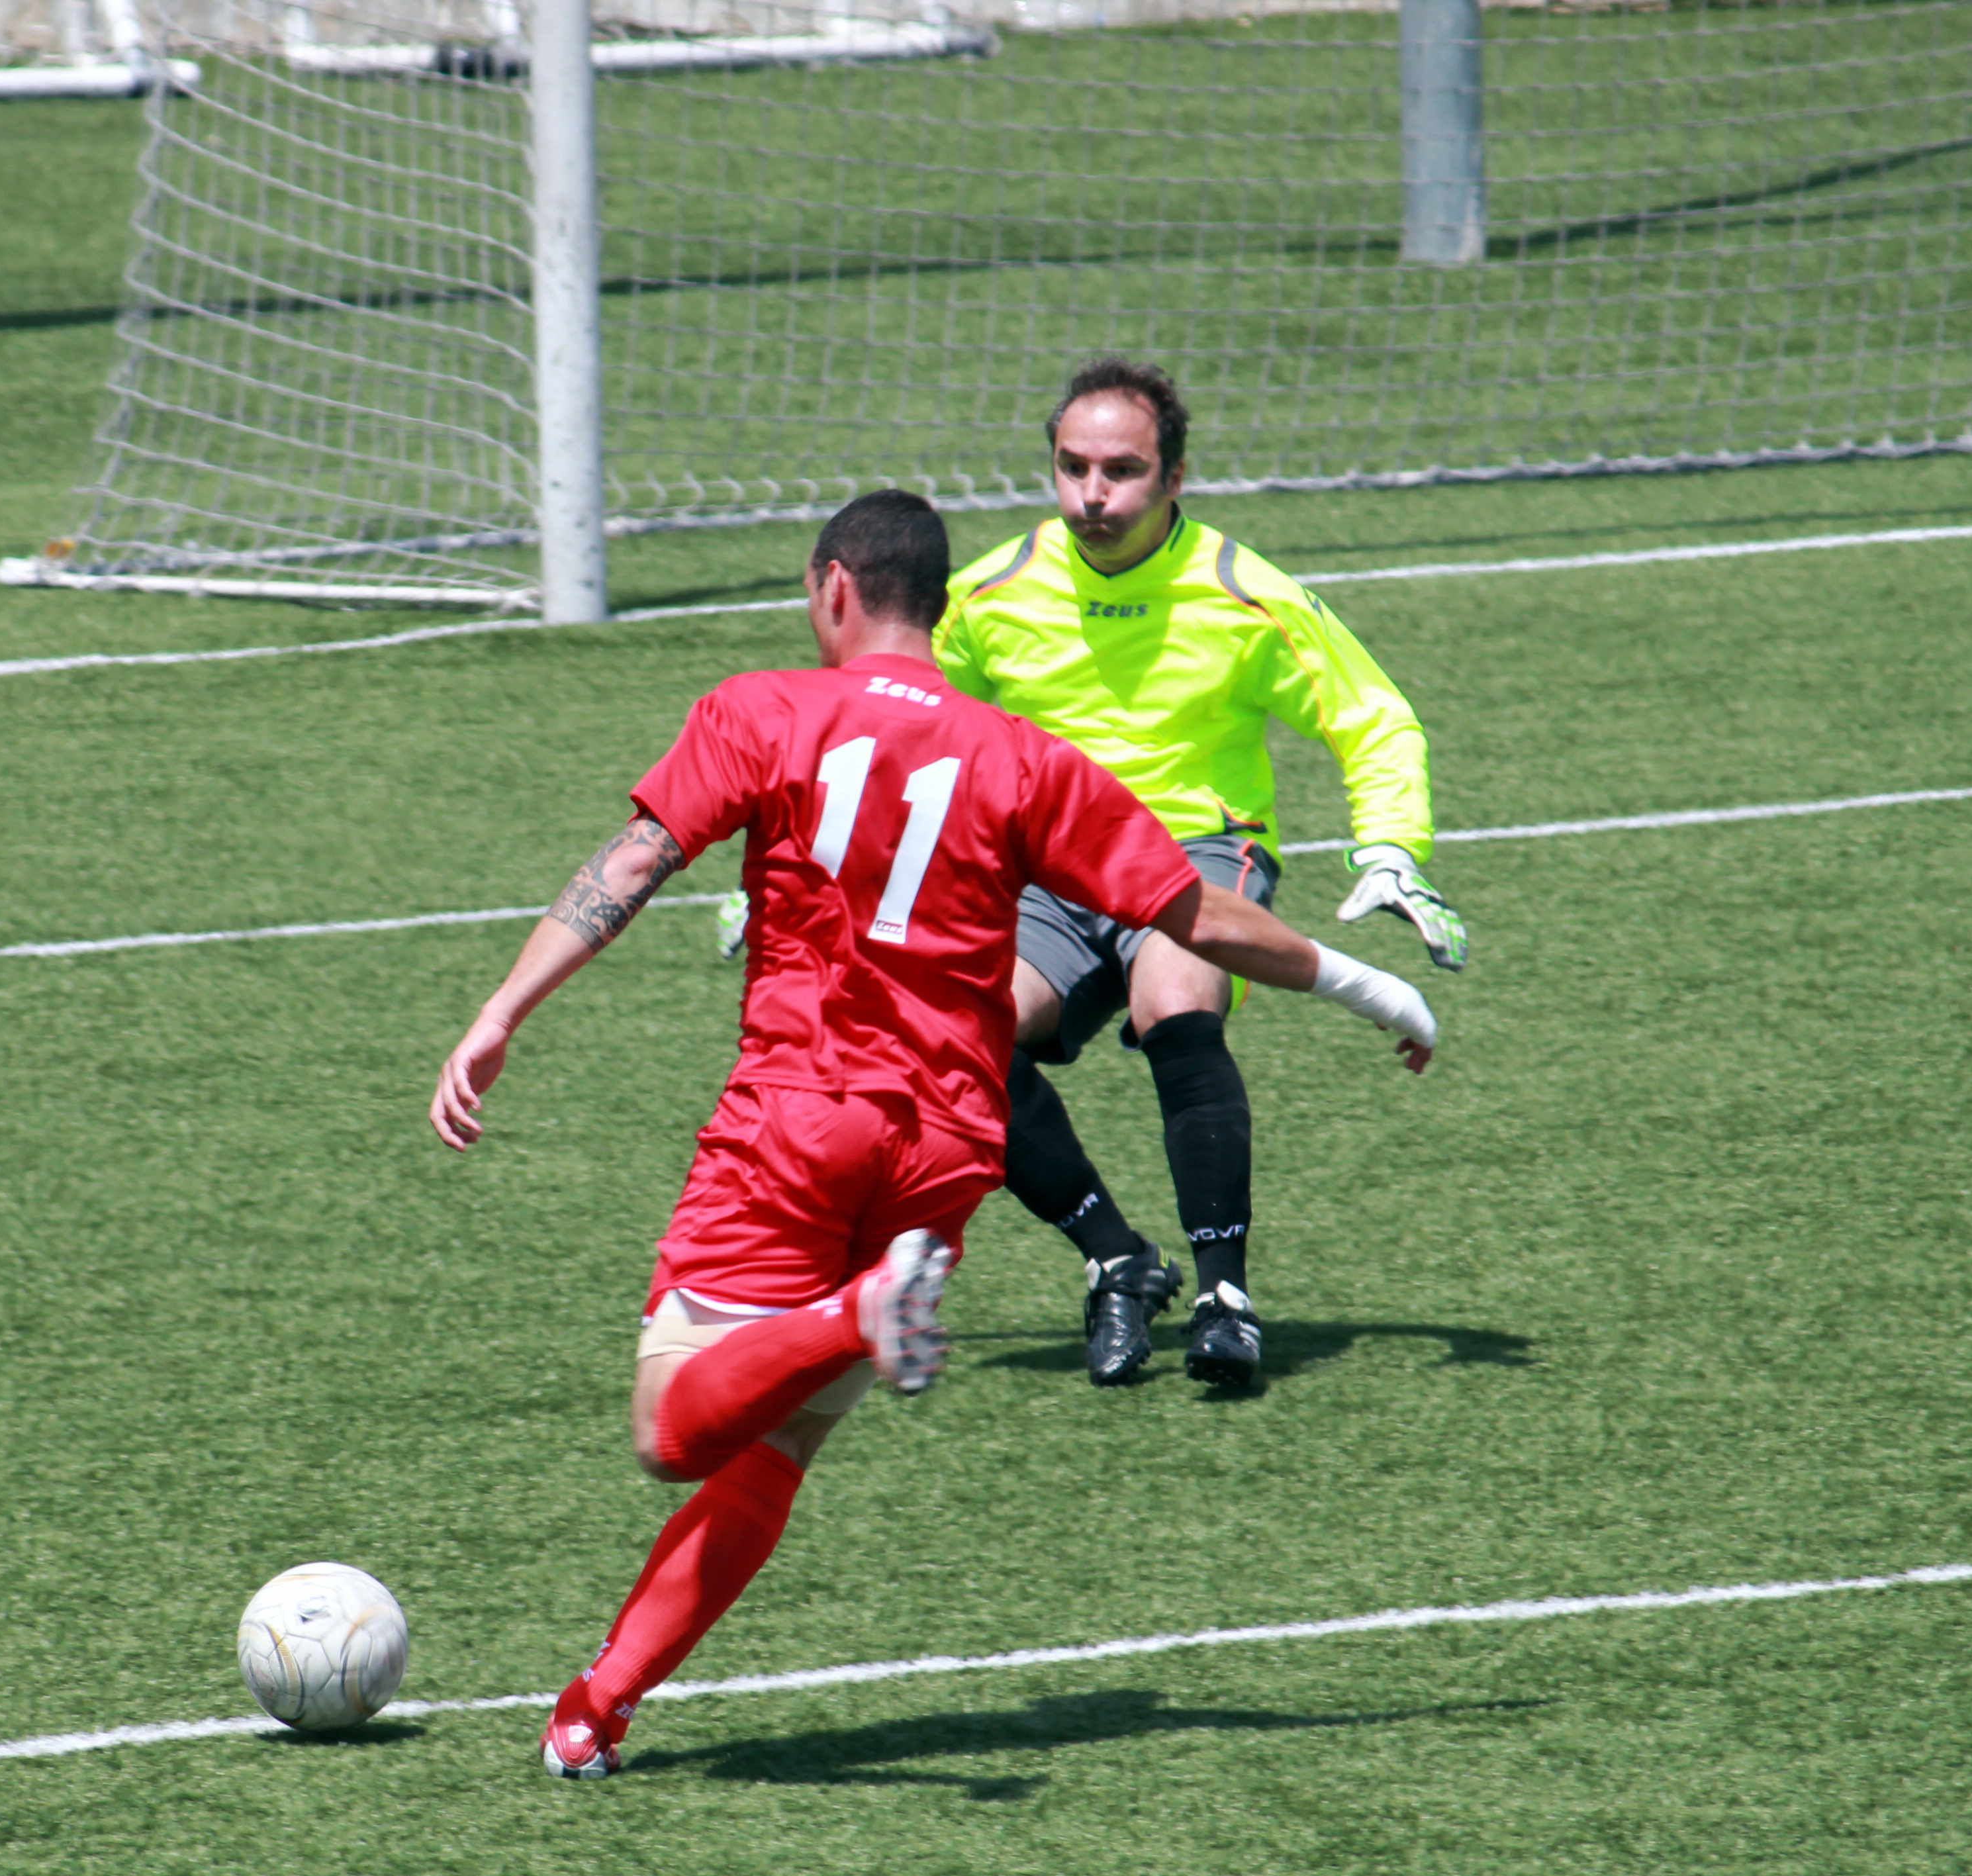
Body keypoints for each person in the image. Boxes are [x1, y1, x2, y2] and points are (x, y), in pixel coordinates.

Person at [430, 490, 1436, 1780]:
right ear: (941, 604)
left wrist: (501, 1013)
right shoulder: (1025, 759)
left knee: (672, 1431)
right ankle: (597, 1708)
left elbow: (630, 865)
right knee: (781, 1442)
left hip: (796, 1118)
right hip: (947, 1151)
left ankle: (853, 1318)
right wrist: (1371, 988)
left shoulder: (761, 710)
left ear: (833, 589)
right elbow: (1195, 914)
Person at [933, 357, 1469, 1389]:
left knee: (1177, 1002)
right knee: (960, 1035)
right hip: (1049, 872)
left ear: (1175, 478)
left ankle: (1227, 1298)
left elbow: (1372, 718)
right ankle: (1117, 1261)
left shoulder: (1244, 593)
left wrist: (1391, 848)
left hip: (1197, 852)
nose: (1094, 494)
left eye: (1122, 471)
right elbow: (881, 726)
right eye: (1073, 468)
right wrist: (800, 866)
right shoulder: (990, 596)